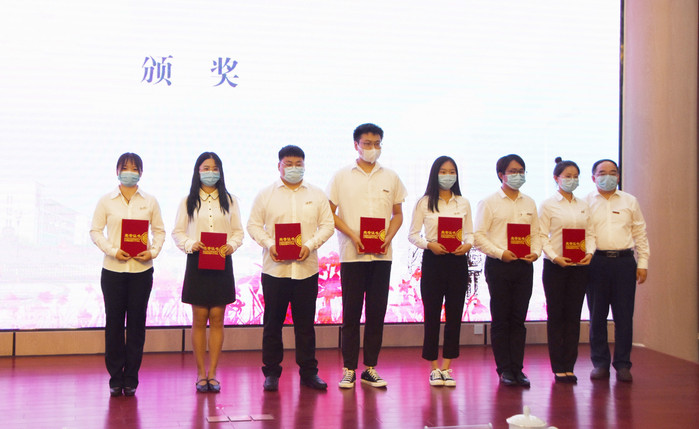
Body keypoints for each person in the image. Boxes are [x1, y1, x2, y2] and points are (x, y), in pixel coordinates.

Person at [247, 145, 335, 392]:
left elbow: (327, 225)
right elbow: (253, 225)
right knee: (272, 324)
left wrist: (310, 245)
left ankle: (308, 372)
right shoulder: (266, 194)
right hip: (275, 271)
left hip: (306, 269)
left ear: (304, 165)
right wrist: (270, 244)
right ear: (279, 166)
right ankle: (271, 372)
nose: (294, 168)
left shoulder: (316, 194)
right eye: (289, 164)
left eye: (299, 164)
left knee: (305, 325)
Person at [326, 123, 408, 389]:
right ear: (356, 145)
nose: (373, 148)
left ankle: (370, 368)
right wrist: (352, 234)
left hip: (382, 256)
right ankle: (349, 368)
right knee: (351, 313)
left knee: (376, 312)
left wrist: (388, 237)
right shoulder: (341, 177)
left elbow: (398, 214)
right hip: (353, 255)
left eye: (377, 143)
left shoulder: (391, 177)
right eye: (367, 143)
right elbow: (329, 212)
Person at [90, 152, 166, 397]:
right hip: (113, 271)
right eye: (125, 168)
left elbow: (159, 231)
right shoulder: (106, 201)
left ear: (141, 173)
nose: (130, 172)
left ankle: (131, 378)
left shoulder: (150, 201)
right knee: (113, 325)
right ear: (117, 171)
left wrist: (152, 251)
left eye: (134, 168)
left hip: (141, 272)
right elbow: (95, 231)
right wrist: (112, 250)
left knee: (136, 325)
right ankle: (115, 378)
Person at [172, 152, 244, 393]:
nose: (211, 172)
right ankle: (200, 373)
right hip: (197, 261)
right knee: (199, 318)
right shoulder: (188, 201)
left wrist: (231, 245)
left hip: (222, 260)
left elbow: (238, 232)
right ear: (198, 171)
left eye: (215, 168)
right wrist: (190, 244)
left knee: (218, 317)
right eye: (206, 168)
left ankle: (213, 373)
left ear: (220, 172)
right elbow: (177, 232)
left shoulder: (230, 201)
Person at [474, 154, 541, 387]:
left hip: (524, 265)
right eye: (513, 171)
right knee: (501, 318)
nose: (518, 175)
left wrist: (536, 252)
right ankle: (504, 369)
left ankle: (518, 369)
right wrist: (500, 252)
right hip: (499, 265)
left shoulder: (529, 202)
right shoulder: (489, 202)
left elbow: (536, 233)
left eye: (521, 171)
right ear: (501, 175)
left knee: (518, 319)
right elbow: (478, 236)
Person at [408, 156, 473, 387]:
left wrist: (468, 244)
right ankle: (434, 368)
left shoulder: (463, 203)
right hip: (434, 260)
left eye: (452, 171)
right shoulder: (424, 202)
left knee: (455, 315)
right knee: (432, 315)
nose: (448, 176)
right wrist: (429, 245)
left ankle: (447, 367)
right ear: (435, 174)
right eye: (443, 171)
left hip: (457, 262)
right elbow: (413, 234)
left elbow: (470, 233)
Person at [585, 159, 649, 382]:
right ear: (593, 177)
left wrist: (643, 263)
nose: (608, 176)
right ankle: (600, 363)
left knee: (624, 316)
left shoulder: (630, 201)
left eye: (613, 172)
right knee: (597, 315)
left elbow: (640, 233)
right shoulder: (585, 202)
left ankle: (623, 364)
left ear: (619, 177)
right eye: (602, 172)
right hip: (596, 263)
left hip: (624, 263)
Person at [539, 157, 596, 383]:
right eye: (567, 176)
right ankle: (557, 366)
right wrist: (555, 257)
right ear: (556, 178)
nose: (572, 180)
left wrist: (589, 252)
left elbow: (590, 234)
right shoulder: (548, 204)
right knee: (556, 316)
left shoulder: (583, 205)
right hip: (556, 267)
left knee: (573, 316)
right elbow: (542, 236)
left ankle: (569, 365)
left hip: (579, 267)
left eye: (575, 177)